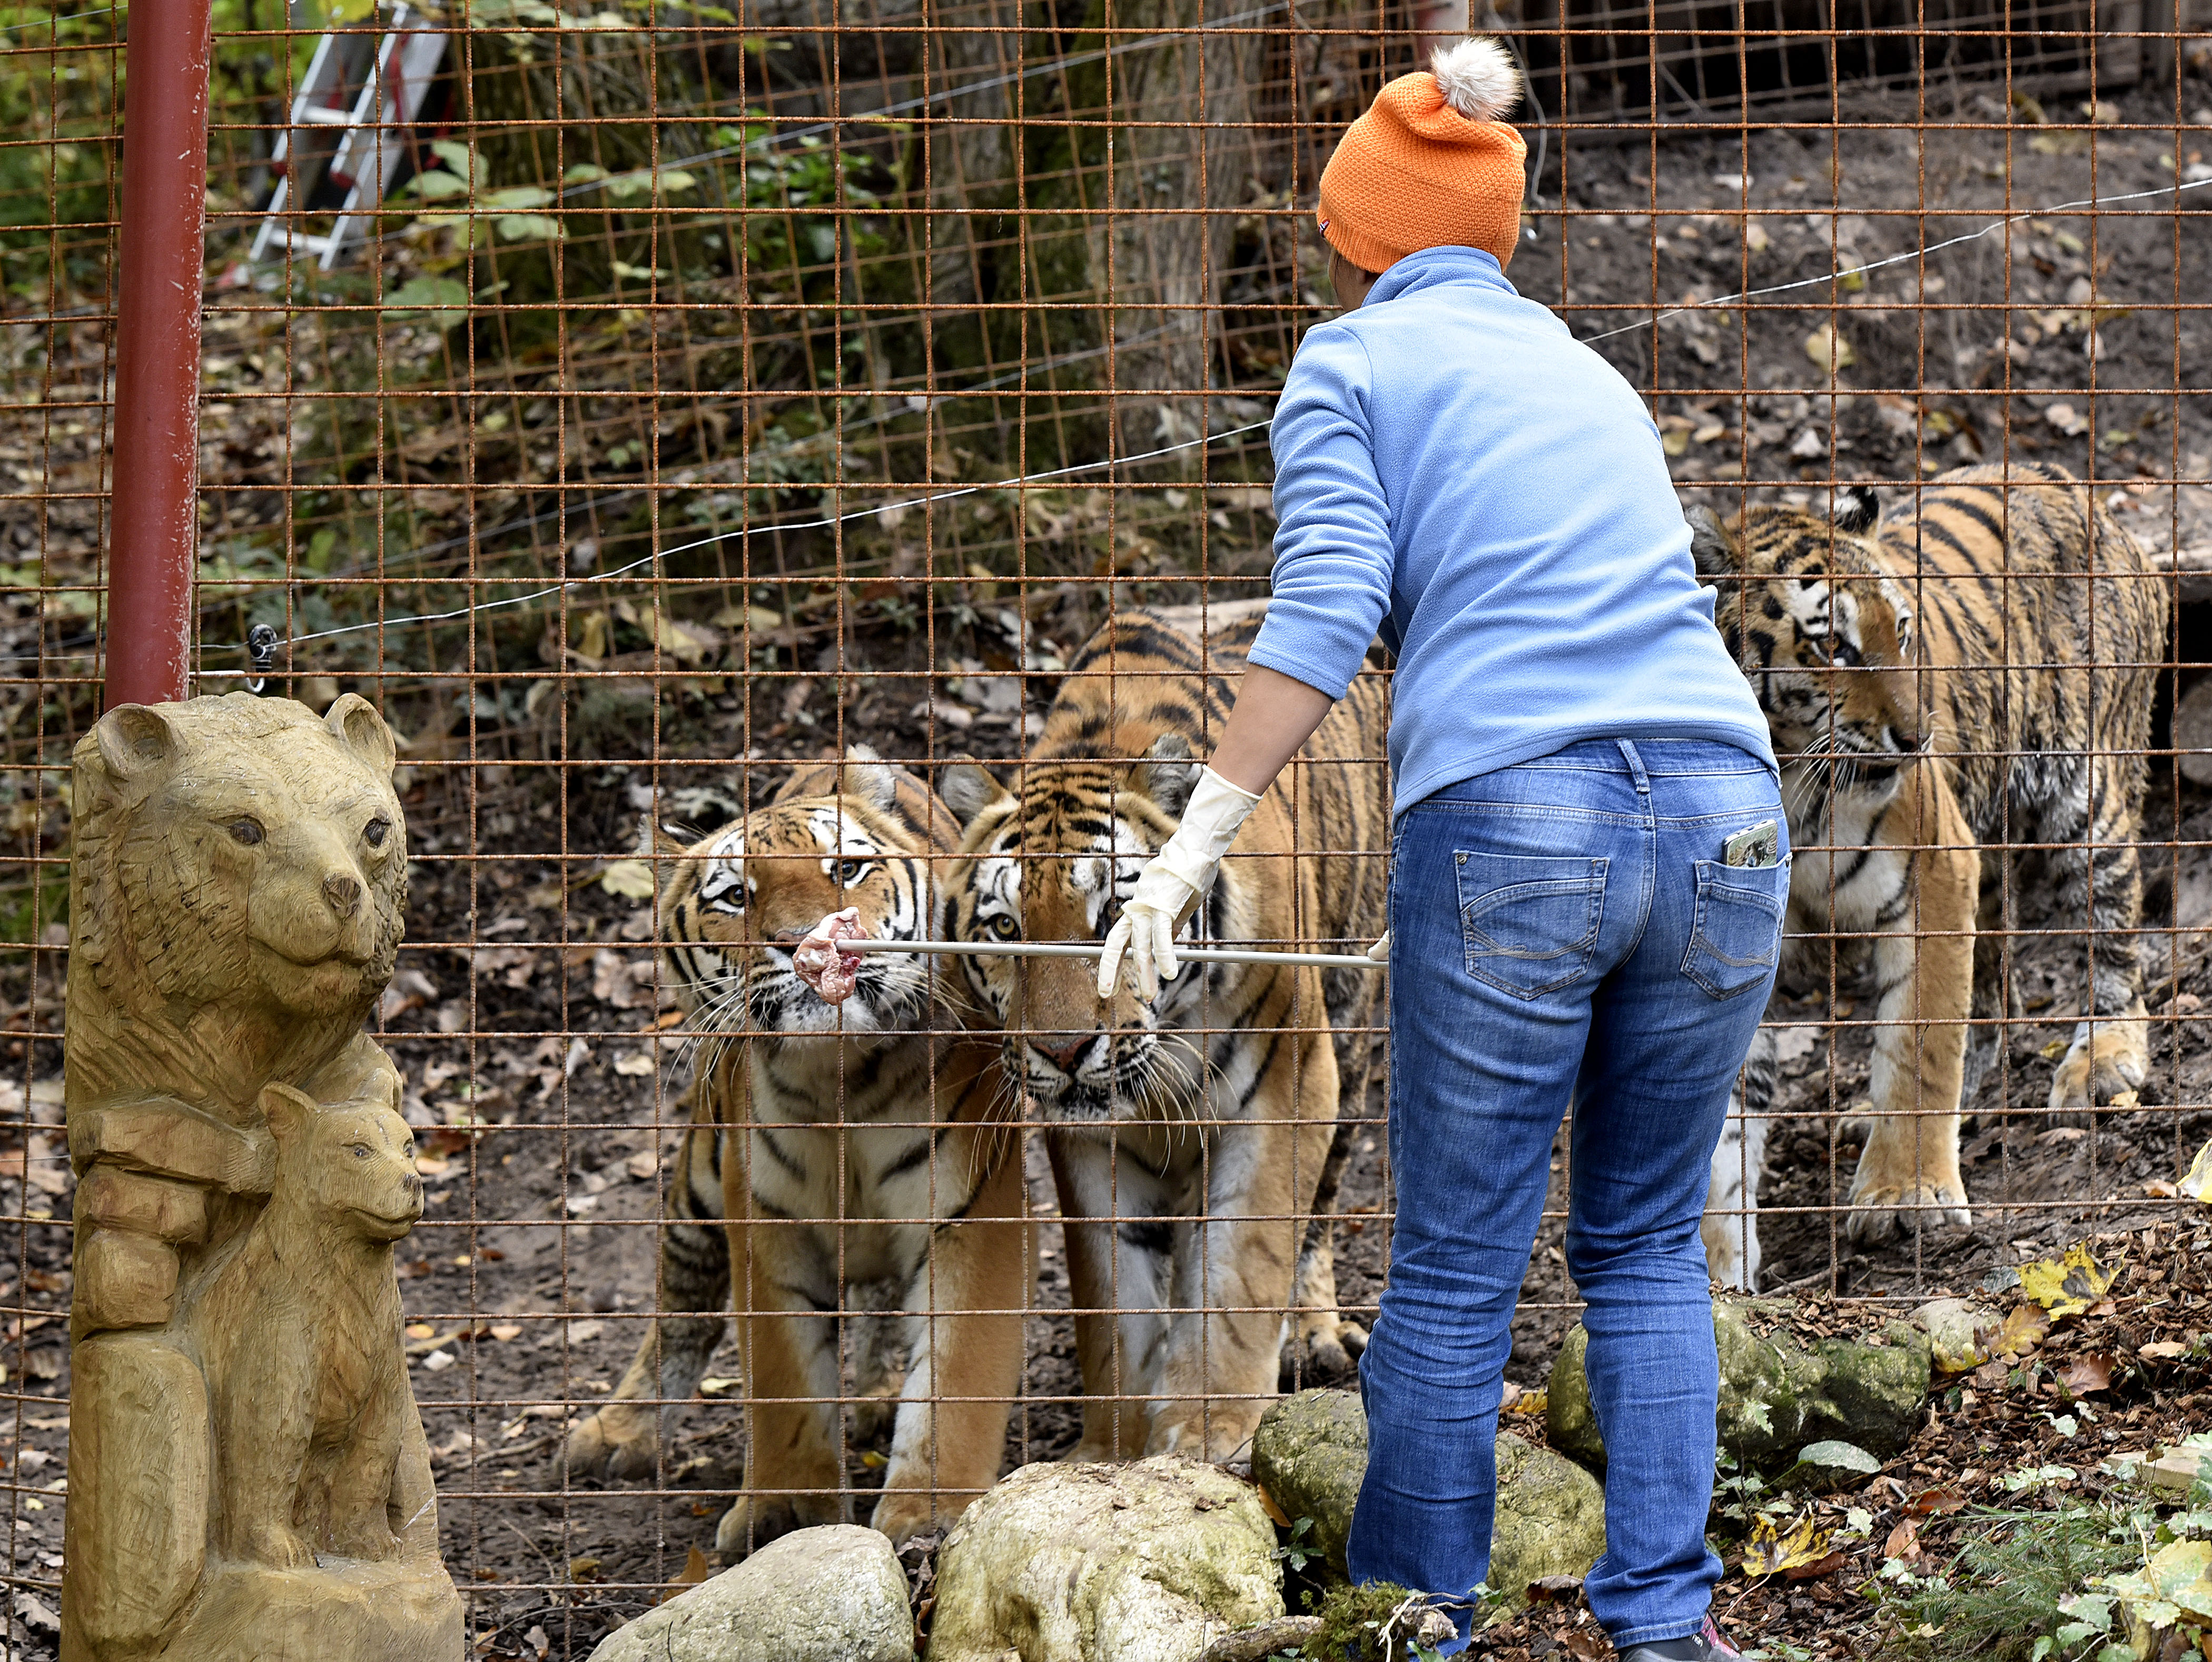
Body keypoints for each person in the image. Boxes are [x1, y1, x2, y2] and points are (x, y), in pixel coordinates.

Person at [1094, 38, 1785, 1662]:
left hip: (1517, 820)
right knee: (1641, 1245)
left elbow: (1327, 611)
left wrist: (1186, 850)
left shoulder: (1348, 369)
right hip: (1726, 813)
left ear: (1353, 237)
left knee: (1461, 1267)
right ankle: (1666, 1630)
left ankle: (1413, 1630)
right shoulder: (1587, 371)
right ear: (1503, 233)